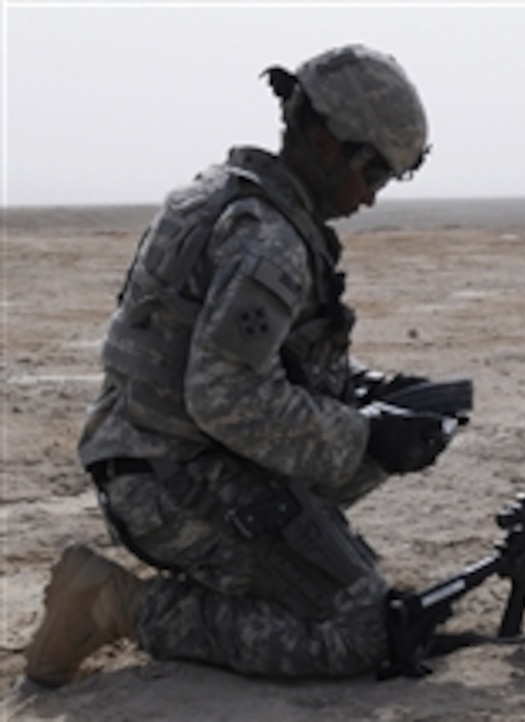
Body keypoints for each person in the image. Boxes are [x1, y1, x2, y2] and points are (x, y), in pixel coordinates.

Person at [25, 43, 463, 686]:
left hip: (157, 455)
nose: (371, 199)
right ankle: (116, 604)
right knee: (358, 630)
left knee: (353, 577)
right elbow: (224, 394)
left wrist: (370, 391)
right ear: (324, 142)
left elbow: (245, 357)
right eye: (372, 175)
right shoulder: (268, 241)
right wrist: (366, 435)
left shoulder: (227, 200)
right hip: (170, 482)